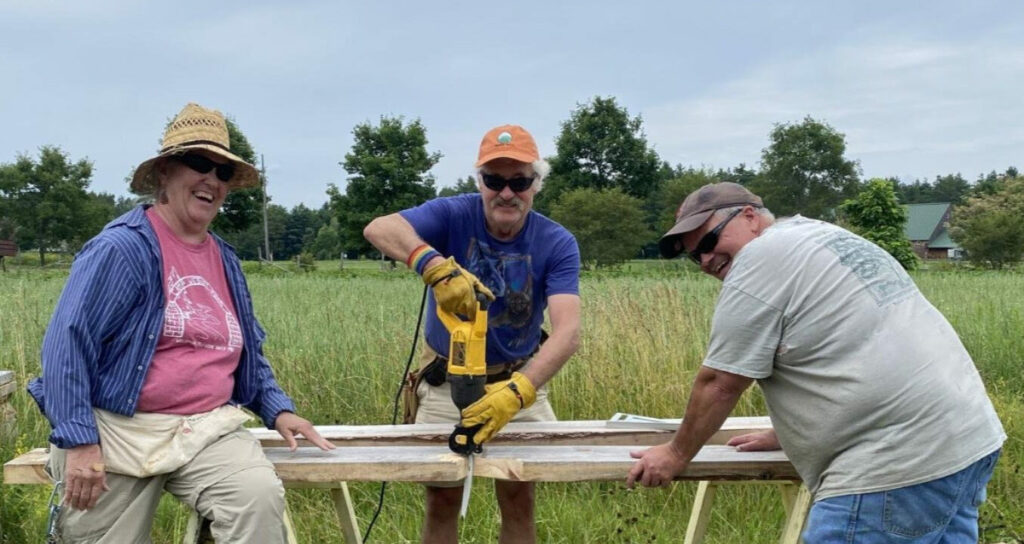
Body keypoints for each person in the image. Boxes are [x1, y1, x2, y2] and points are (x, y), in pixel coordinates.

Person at [627, 182, 1005, 542]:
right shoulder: (819, 236)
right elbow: (846, 341)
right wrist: (790, 432)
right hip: (965, 441)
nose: (706, 259)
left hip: (893, 464)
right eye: (695, 255)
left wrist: (675, 453)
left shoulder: (758, 258)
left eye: (709, 241)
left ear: (749, 216)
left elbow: (720, 382)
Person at [27, 103, 334, 543]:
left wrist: (277, 408)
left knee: (257, 500)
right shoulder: (122, 250)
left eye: (223, 172)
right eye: (198, 163)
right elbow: (67, 345)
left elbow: (245, 351)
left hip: (205, 429)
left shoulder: (226, 260)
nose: (212, 179)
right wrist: (79, 442)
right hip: (116, 430)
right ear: (165, 173)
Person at [364, 124, 581, 544]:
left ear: (536, 184)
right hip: (446, 382)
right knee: (441, 498)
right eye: (494, 180)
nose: (506, 193)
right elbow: (378, 228)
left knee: (518, 496)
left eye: (519, 181)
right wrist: (432, 264)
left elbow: (567, 331)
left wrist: (521, 391)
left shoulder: (556, 242)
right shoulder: (452, 215)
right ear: (478, 181)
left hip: (518, 381)